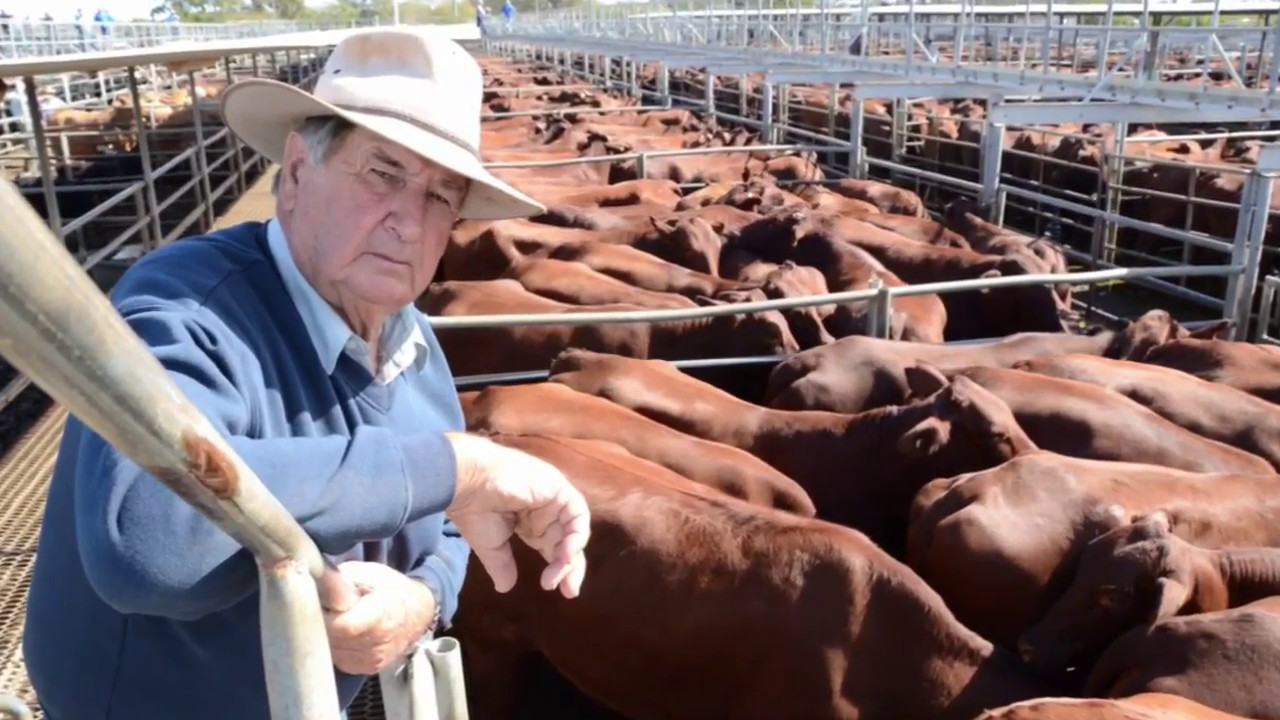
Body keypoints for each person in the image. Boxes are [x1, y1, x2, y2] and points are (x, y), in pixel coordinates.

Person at [22, 27, 591, 720]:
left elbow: (445, 529)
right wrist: (455, 464)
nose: (410, 223)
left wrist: (425, 600)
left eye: (442, 197)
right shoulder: (185, 304)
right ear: (296, 172)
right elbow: (148, 539)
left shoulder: (415, 349)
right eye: (384, 173)